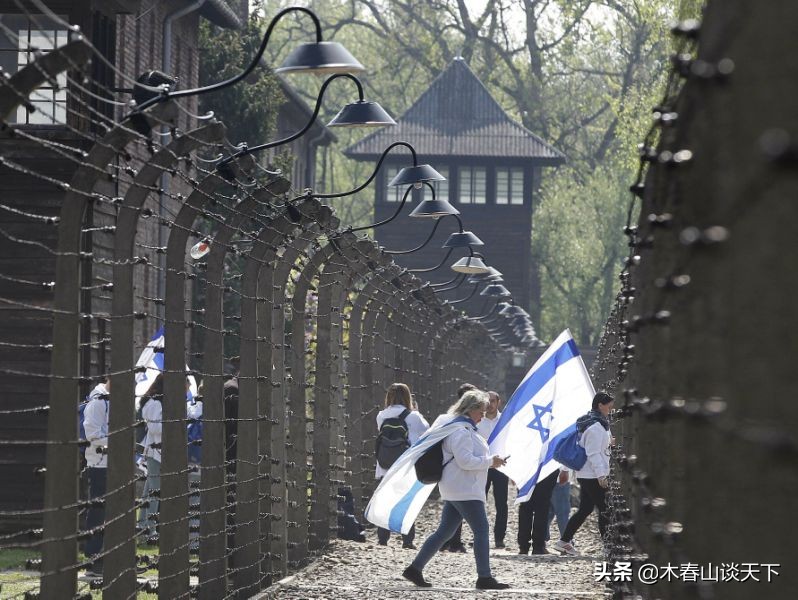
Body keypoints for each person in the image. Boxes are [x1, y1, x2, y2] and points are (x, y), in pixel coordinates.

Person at [402, 390, 510, 590]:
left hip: (458, 488)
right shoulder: (461, 431)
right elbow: (465, 461)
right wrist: (491, 462)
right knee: (481, 530)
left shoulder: (462, 427)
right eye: (481, 411)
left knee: (444, 532)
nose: (483, 415)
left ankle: (415, 568)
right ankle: (484, 577)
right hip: (464, 489)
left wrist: (490, 460)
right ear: (472, 409)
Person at [554, 391, 614, 556]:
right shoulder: (595, 427)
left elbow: (596, 447)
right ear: (600, 405)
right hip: (592, 475)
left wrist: (609, 443)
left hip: (587, 474)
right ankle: (608, 547)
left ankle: (563, 541)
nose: (611, 408)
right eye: (609, 405)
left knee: (585, 509)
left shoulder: (596, 424)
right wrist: (602, 475)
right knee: (604, 509)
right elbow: (593, 453)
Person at [375, 383, 429, 548]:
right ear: (408, 397)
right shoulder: (414, 417)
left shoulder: (381, 416)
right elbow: (426, 431)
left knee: (384, 502)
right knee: (406, 502)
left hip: (385, 465)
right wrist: (416, 411)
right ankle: (407, 540)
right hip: (406, 466)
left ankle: (383, 539)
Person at [438, 382, 477, 553]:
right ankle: (454, 540)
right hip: (463, 469)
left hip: (452, 471)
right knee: (468, 512)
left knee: (453, 508)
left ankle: (449, 540)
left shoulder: (448, 418)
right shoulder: (464, 422)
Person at [82, 377, 110, 578]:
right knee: (98, 511)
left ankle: (105, 555)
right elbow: (92, 433)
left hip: (112, 462)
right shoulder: (98, 402)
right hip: (99, 463)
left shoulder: (112, 401)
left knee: (110, 511)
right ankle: (93, 558)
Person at [476, 391, 509, 549]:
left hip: (500, 465)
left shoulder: (505, 420)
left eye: (493, 401)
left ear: (499, 402)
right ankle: (479, 535)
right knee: (478, 501)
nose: (490, 404)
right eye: (487, 401)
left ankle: (499, 538)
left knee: (501, 503)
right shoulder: (477, 420)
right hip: (482, 465)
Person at [137, 376, 163, 540]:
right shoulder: (155, 403)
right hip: (156, 453)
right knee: (155, 492)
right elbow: (155, 428)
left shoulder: (157, 402)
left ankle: (142, 526)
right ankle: (150, 530)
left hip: (156, 452)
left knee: (148, 492)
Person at [517, 469, 559, 554]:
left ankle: (524, 546)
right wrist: (564, 470)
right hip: (546, 468)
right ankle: (538, 546)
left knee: (526, 507)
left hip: (527, 468)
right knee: (542, 508)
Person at [547, 469, 572, 542]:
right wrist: (565, 469)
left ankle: (541, 541)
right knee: (563, 512)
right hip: (559, 476)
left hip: (547, 476)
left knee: (549, 511)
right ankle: (566, 541)